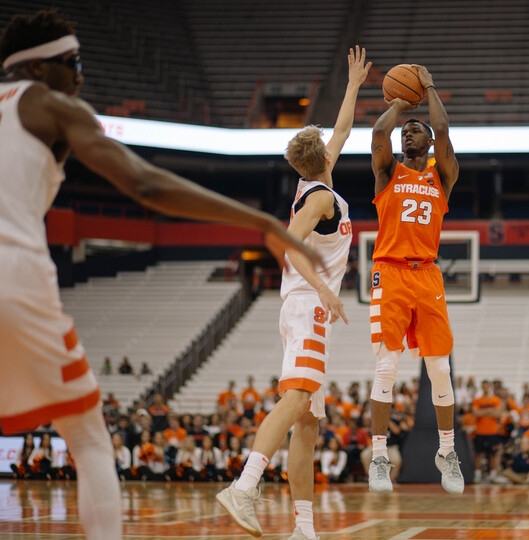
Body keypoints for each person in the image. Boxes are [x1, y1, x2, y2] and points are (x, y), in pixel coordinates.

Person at [0, 10, 322, 539]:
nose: (81, 76)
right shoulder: (48, 103)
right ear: (39, 67)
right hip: (16, 274)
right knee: (86, 437)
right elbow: (144, 184)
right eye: (72, 63)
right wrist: (259, 219)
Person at [216, 45, 369, 540]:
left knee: (308, 424)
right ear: (322, 158)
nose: (335, 142)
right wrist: (324, 287)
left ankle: (305, 528)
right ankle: (244, 485)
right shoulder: (322, 197)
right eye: (329, 144)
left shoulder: (317, 184)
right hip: (307, 307)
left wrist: (353, 85)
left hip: (303, 308)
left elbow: (343, 129)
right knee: (295, 398)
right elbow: (282, 243)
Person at [367, 64, 463, 496]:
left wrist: (427, 87)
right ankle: (380, 457)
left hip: (427, 274)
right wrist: (399, 106)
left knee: (439, 370)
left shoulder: (440, 176)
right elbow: (376, 136)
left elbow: (444, 132)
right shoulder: (388, 172)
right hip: (389, 271)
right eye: (406, 130)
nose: (410, 133)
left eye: (416, 129)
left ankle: (447, 452)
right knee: (386, 367)